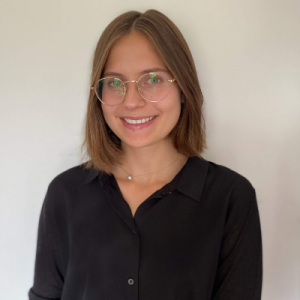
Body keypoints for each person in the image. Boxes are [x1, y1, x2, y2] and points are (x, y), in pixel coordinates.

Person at [28, 9, 263, 300]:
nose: (132, 102)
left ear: (183, 87)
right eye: (114, 83)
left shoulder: (230, 198)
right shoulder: (65, 194)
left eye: (153, 79)